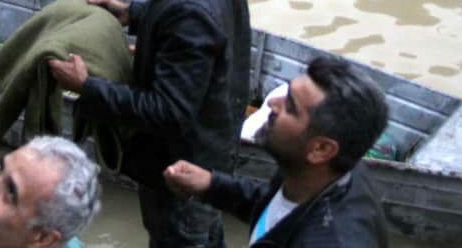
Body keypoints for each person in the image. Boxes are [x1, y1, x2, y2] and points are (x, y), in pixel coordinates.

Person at [48, 0, 250, 248]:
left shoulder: (192, 11)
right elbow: (191, 19)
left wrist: (88, 86)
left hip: (179, 168)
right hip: (216, 145)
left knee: (180, 236)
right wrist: (135, 14)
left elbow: (168, 113)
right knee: (206, 232)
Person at [164, 56, 391, 247]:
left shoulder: (328, 240)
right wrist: (211, 184)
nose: (273, 102)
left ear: (321, 149)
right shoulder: (316, 173)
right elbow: (275, 204)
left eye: (290, 107)